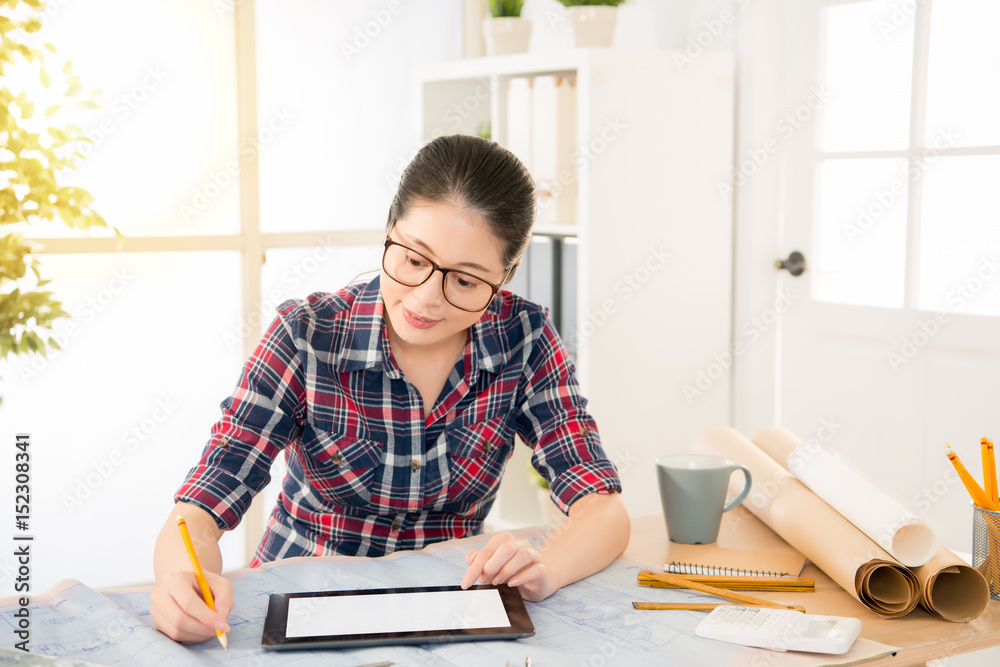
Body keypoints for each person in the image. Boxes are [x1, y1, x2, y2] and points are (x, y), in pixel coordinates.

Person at [150, 133, 629, 644]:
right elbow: (200, 508)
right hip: (304, 613)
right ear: (389, 231)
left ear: (505, 277)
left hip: (447, 614)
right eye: (413, 259)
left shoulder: (523, 339)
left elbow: (603, 509)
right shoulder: (307, 334)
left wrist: (545, 566)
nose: (425, 299)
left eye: (465, 281)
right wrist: (183, 583)